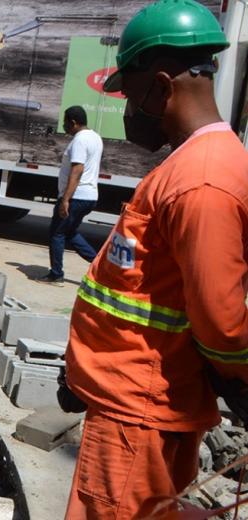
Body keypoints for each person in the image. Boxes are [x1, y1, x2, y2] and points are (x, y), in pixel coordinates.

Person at [60, 1, 248, 518]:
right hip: (129, 398)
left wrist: (238, 379)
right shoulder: (193, 164)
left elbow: (221, 321)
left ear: (162, 86)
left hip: (138, 411)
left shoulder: (202, 180)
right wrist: (82, 366)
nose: (125, 110)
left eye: (130, 95)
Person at [37, 106, 102, 284]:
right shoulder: (95, 137)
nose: (64, 126)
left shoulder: (80, 140)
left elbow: (78, 169)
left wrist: (65, 199)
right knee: (69, 232)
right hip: (89, 196)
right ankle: (100, 263)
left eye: (65, 122)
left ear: (73, 122)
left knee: (56, 233)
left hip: (76, 196)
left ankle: (56, 274)